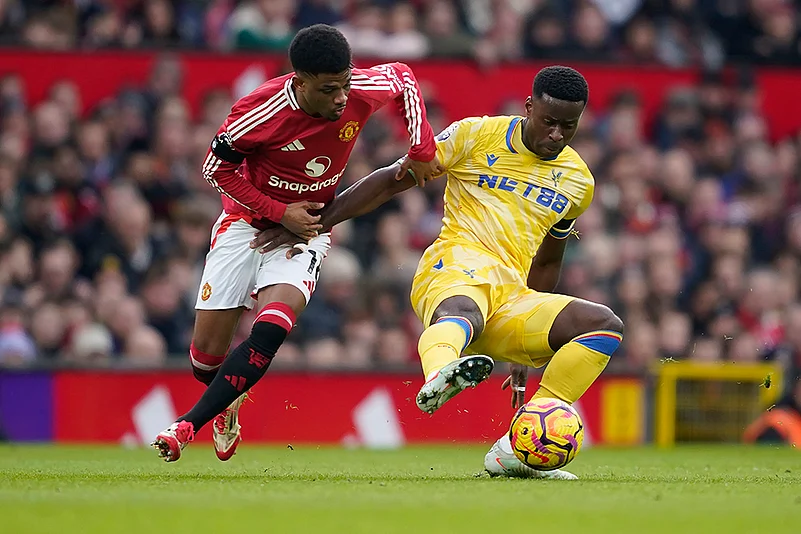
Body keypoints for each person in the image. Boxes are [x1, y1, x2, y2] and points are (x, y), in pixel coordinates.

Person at [253, 66, 624, 480]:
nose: (556, 134)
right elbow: (395, 178)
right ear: (529, 107)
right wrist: (320, 222)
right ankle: (440, 374)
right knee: (465, 312)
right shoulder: (476, 136)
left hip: (512, 296)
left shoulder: (577, 182)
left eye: (568, 126)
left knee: (603, 325)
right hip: (455, 268)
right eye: (549, 122)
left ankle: (520, 445)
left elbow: (548, 261)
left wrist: (525, 356)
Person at [152, 24, 441, 462]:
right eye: (329, 90)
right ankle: (226, 401)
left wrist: (421, 147)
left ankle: (186, 426)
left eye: (345, 84)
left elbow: (403, 76)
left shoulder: (359, 88)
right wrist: (277, 211)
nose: (342, 98)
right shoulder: (259, 112)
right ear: (300, 82)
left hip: (307, 231)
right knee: (204, 363)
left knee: (271, 329)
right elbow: (216, 170)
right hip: (245, 226)